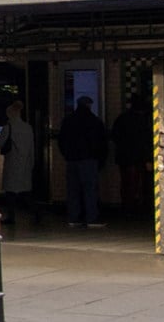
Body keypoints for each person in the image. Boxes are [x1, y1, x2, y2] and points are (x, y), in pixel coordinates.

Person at [57, 96, 109, 228]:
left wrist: (67, 155)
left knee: (73, 190)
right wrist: (100, 160)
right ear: (89, 105)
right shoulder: (94, 121)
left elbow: (61, 141)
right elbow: (101, 143)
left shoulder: (68, 121)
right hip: (89, 160)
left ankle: (74, 218)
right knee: (90, 189)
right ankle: (91, 218)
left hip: (72, 160)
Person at [0, 102, 38, 226]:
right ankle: (35, 213)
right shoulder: (28, 128)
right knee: (26, 191)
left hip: (12, 163)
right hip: (25, 163)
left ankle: (11, 216)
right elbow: (32, 148)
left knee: (10, 192)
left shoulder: (8, 127)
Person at [111, 98, 154, 217]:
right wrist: (147, 159)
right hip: (137, 159)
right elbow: (144, 142)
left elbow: (115, 136)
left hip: (123, 158)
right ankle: (137, 208)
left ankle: (127, 207)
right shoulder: (142, 121)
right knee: (137, 184)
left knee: (126, 183)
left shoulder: (121, 119)